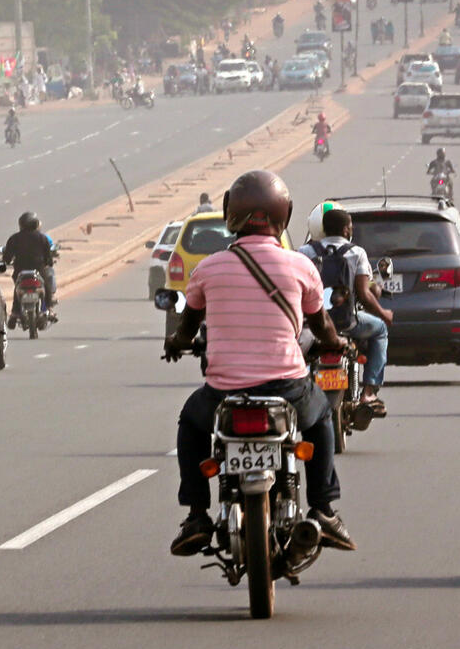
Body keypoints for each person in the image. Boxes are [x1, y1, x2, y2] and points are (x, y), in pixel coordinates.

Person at [165, 170, 355, 554]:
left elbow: (187, 328)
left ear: (230, 213)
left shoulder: (208, 268)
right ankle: (322, 508)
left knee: (191, 424)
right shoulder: (301, 267)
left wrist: (175, 343)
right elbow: (323, 327)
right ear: (282, 215)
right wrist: (338, 343)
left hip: (224, 392)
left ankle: (197, 514)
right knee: (320, 420)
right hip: (287, 388)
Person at [302, 204, 391, 411]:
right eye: (350, 226)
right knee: (380, 330)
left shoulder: (305, 252)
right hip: (346, 322)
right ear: (345, 230)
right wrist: (384, 313)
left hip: (313, 324)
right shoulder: (357, 252)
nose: (352, 230)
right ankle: (369, 393)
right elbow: (364, 294)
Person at [0, 210, 58, 320]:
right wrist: (48, 262)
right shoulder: (42, 238)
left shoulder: (14, 238)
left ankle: (15, 312)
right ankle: (49, 309)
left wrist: (6, 261)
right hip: (39, 270)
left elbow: (7, 257)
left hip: (20, 271)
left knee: (18, 287)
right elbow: (48, 257)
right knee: (46, 286)